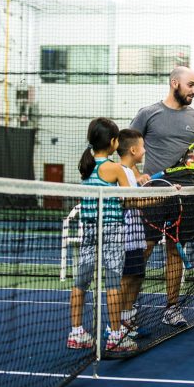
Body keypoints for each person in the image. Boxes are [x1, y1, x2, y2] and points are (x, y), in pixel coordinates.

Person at [129, 66, 194, 327]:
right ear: (175, 83)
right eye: (191, 85)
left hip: (185, 192)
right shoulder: (148, 114)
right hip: (154, 193)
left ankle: (172, 308)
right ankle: (129, 305)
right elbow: (126, 150)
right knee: (145, 248)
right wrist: (137, 173)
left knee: (176, 250)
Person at [67, 117, 137, 352]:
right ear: (114, 142)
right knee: (114, 284)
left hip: (88, 229)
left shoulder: (85, 167)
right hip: (112, 230)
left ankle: (76, 333)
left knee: (80, 282)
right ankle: (116, 337)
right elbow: (131, 199)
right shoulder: (115, 168)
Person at [116, 128, 149, 336]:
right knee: (126, 279)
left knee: (137, 276)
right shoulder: (121, 172)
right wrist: (166, 196)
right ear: (134, 149)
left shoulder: (131, 173)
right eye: (143, 147)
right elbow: (131, 202)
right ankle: (116, 324)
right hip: (125, 237)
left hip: (137, 236)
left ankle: (127, 319)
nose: (145, 151)